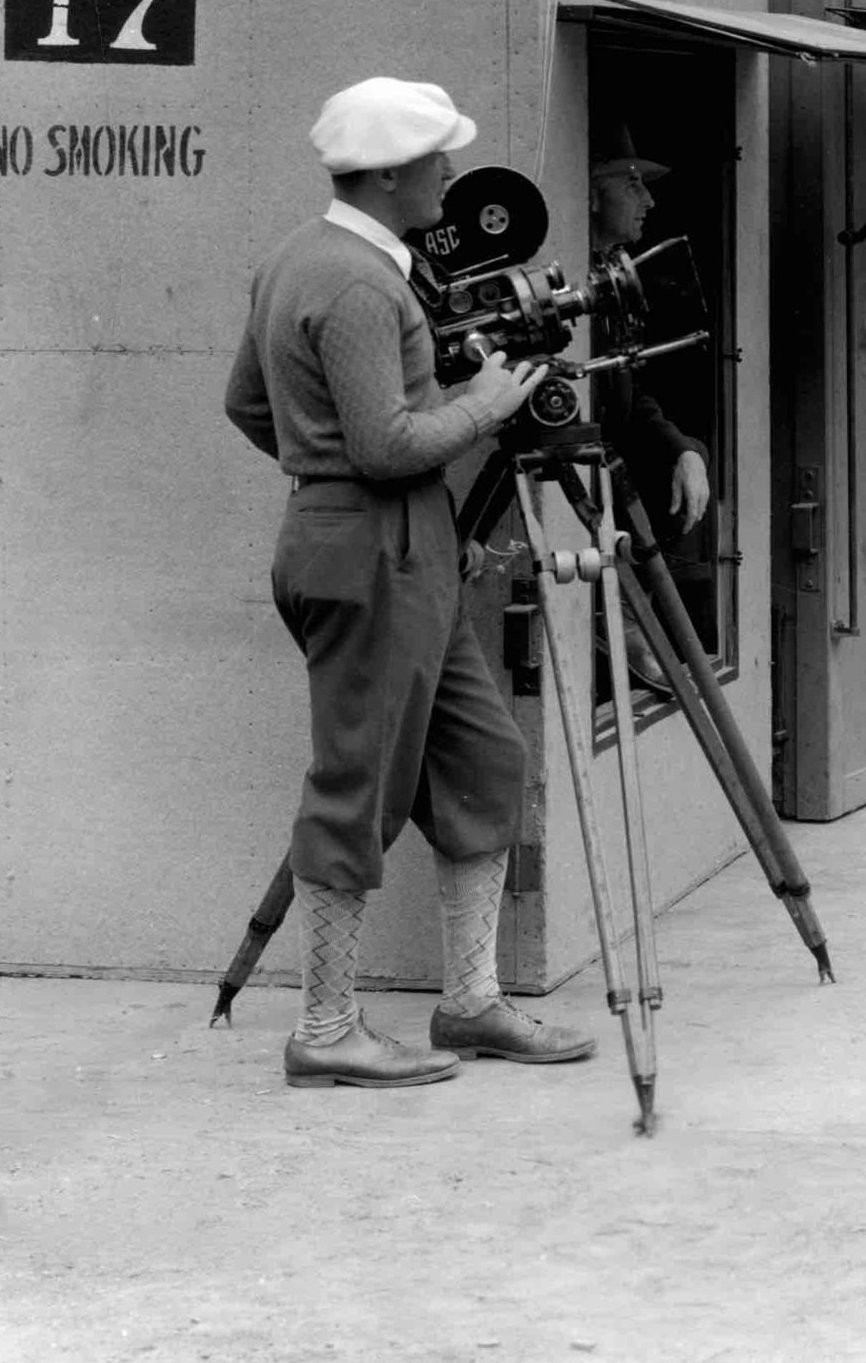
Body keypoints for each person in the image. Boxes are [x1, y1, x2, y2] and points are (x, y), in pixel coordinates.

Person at [225, 77, 596, 1088]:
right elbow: (388, 445)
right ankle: (326, 1024)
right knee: (357, 787)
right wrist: (480, 402)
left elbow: (246, 403)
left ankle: (469, 1002)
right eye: (435, 155)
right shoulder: (358, 283)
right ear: (387, 171)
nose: (448, 172)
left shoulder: (301, 259)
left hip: (390, 541)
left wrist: (320, 462)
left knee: (484, 757)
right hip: (372, 545)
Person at [588, 127, 712, 640]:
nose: (649, 199)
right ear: (592, 192)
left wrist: (682, 450)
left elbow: (630, 390)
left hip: (618, 475)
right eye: (632, 184)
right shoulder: (576, 279)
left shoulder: (614, 270)